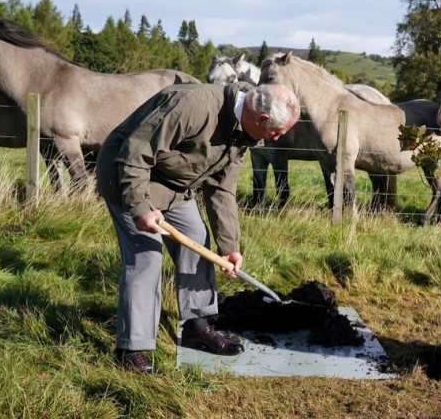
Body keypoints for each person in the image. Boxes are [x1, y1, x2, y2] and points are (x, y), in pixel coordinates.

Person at [96, 81, 300, 374]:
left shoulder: (244, 133)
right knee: (146, 256)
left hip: (174, 186)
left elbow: (222, 189)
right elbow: (135, 155)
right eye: (276, 131)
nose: (277, 138)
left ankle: (197, 324)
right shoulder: (193, 107)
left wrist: (229, 247)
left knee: (196, 238)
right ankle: (132, 348)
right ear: (262, 119)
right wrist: (140, 209)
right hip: (127, 176)